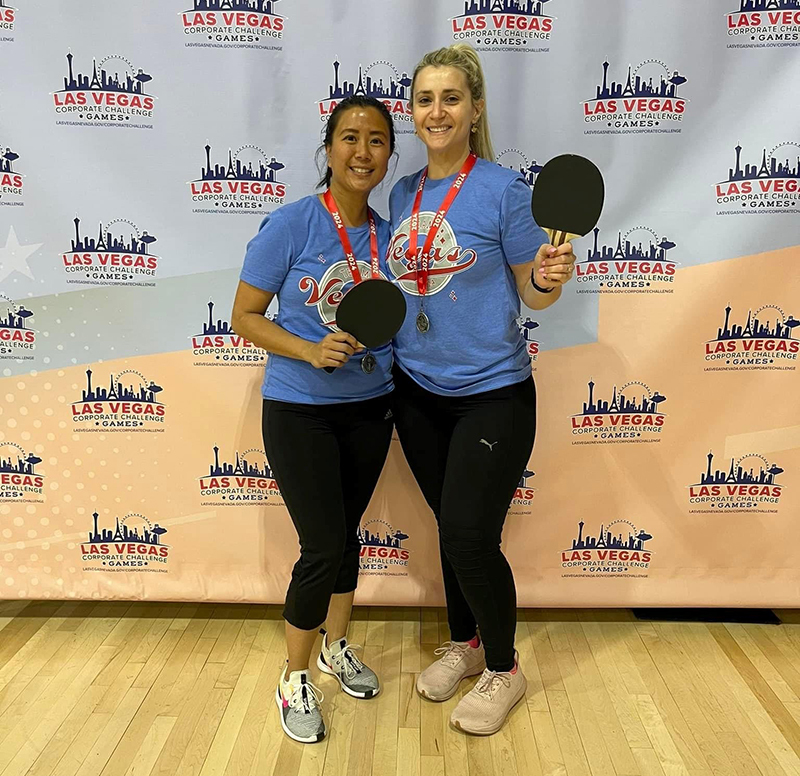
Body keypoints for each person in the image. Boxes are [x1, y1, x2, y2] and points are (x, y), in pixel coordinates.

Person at [386, 44, 576, 736]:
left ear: (476, 109)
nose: (436, 111)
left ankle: (503, 667)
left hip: (493, 392)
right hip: (416, 389)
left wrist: (548, 277)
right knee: (451, 526)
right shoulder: (402, 193)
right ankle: (465, 644)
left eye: (451, 98)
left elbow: (535, 292)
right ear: (413, 112)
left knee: (469, 532)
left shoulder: (503, 191)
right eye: (425, 99)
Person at [231, 95, 397, 744]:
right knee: (323, 547)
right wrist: (308, 349)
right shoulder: (292, 224)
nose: (362, 151)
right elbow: (245, 316)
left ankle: (336, 646)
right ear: (328, 149)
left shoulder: (389, 236)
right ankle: (293, 676)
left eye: (377, 139)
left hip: (370, 407)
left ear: (389, 155)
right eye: (350, 137)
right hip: (300, 410)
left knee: (347, 536)